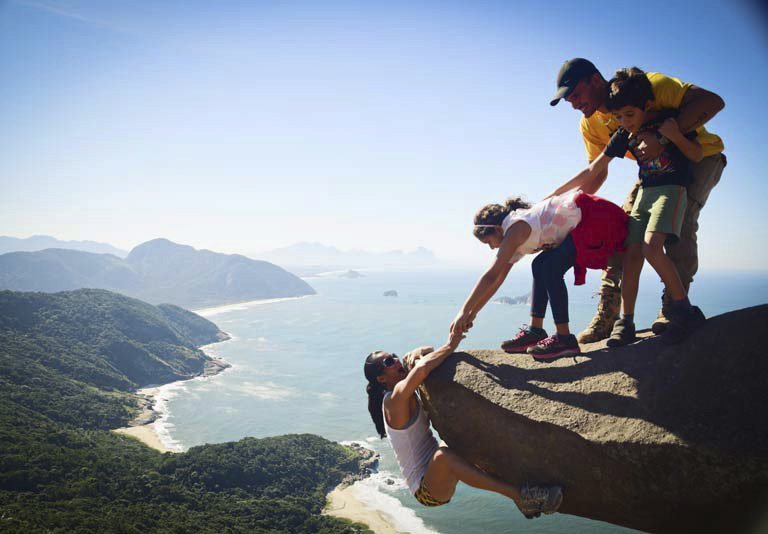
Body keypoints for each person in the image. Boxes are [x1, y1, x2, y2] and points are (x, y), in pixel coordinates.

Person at [550, 58, 725, 343]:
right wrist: (562, 209)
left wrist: (662, 137)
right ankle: (612, 315)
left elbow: (712, 101)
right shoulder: (590, 123)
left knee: (678, 228)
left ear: (595, 80)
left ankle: (674, 309)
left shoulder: (650, 86)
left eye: (575, 93)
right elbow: (597, 172)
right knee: (623, 233)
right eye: (567, 99)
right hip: (653, 171)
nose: (572, 102)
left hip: (699, 157)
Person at [363, 336, 563, 518]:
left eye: (395, 357)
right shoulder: (393, 401)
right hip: (426, 490)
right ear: (381, 379)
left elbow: (427, 354)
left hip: (436, 470)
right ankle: (521, 497)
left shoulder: (403, 387)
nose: (396, 361)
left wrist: (418, 351)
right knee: (444, 457)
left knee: (465, 433)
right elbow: (423, 369)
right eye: (389, 362)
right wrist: (452, 343)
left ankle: (521, 474)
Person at [450, 189, 627, 360]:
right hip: (583, 223)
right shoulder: (510, 234)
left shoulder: (515, 228)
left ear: (497, 229)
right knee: (540, 264)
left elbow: (490, 275)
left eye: (489, 242)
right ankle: (536, 331)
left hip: (595, 218)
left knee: (550, 267)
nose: (491, 247)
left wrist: (463, 311)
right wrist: (471, 314)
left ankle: (565, 339)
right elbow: (497, 280)